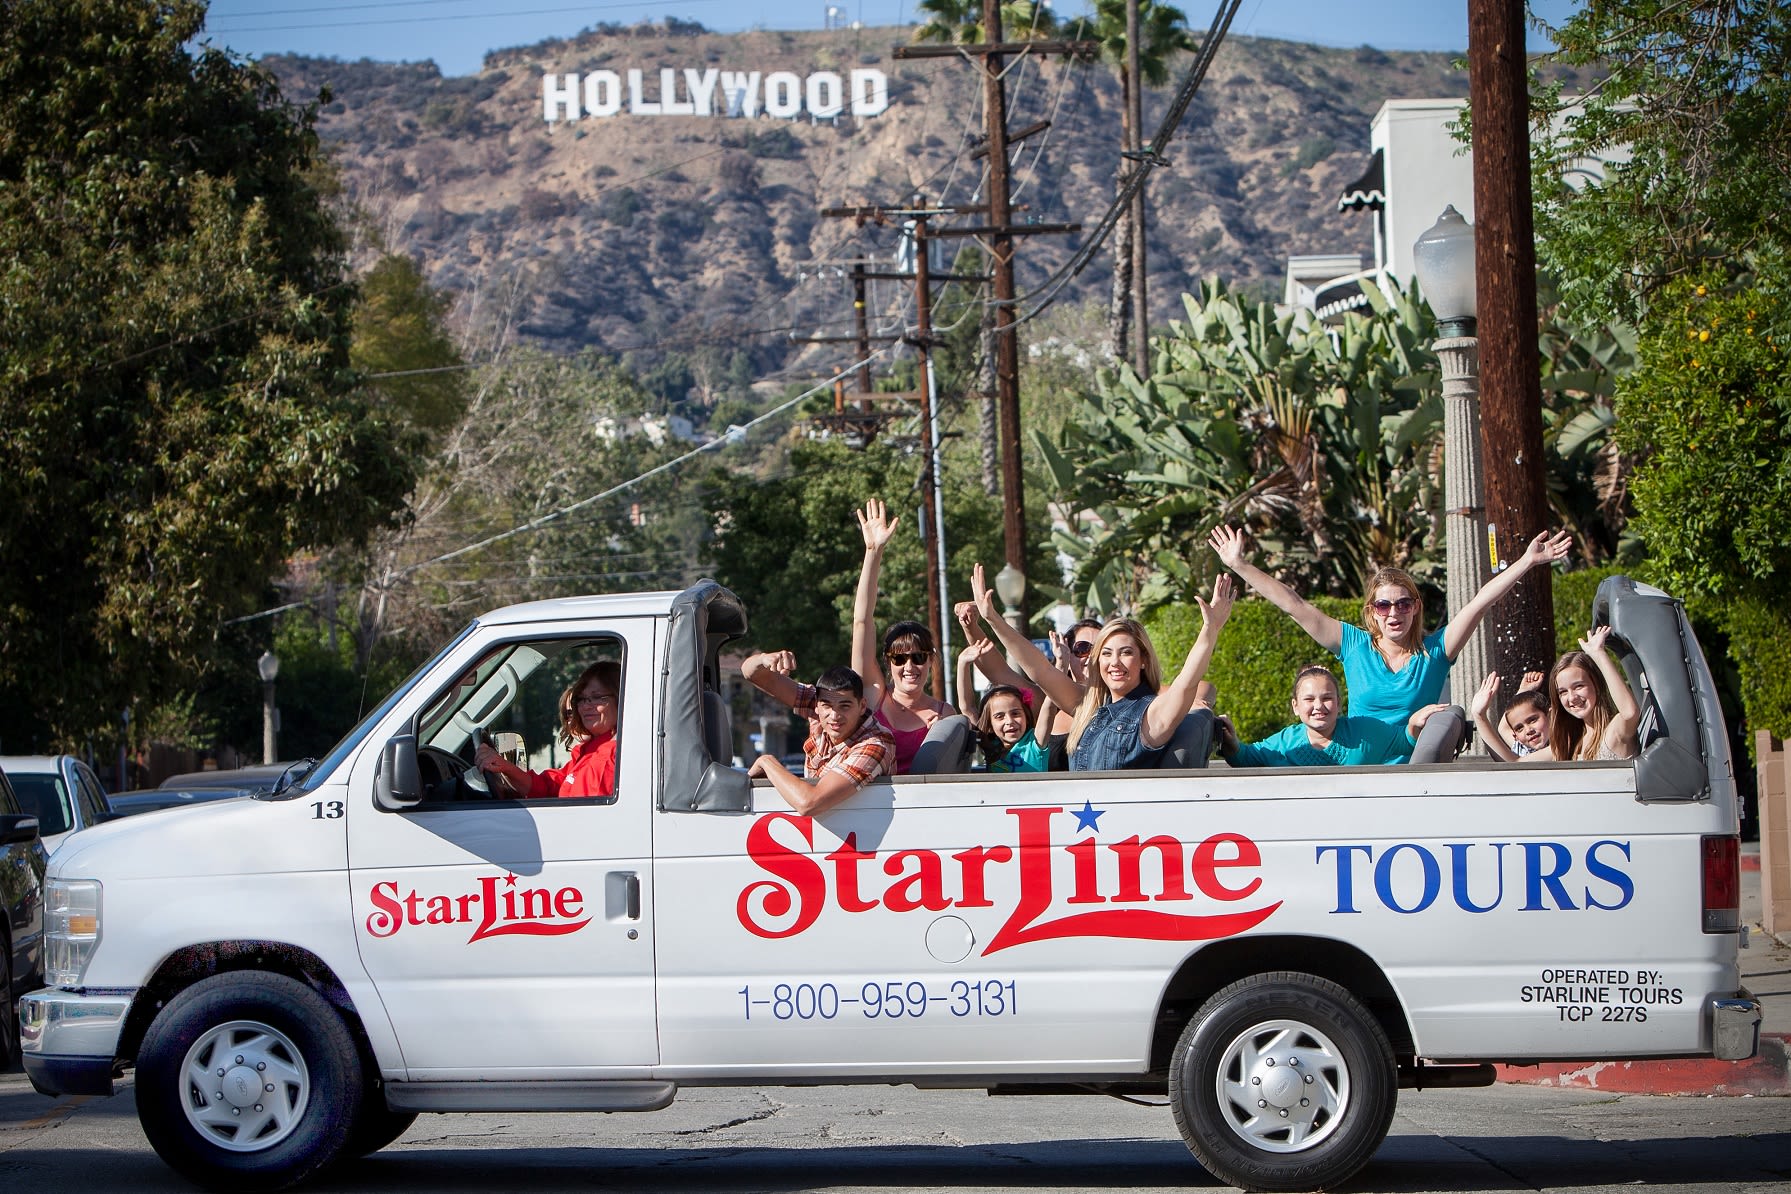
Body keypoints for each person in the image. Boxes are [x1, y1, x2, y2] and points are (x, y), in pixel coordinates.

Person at [1209, 523, 1572, 761]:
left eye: (1403, 603)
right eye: (1384, 604)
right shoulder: (1354, 644)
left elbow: (1480, 602)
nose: (1393, 612)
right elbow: (1295, 605)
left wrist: (1527, 561)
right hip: (1358, 764)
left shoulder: (1435, 651)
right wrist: (1240, 565)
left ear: (1415, 608)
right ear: (1372, 611)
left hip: (1417, 770)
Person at [965, 562, 1234, 771]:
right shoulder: (1087, 707)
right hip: (1079, 837)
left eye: (1126, 653)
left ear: (1143, 661)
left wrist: (1210, 629)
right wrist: (993, 619)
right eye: (1106, 654)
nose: (1114, 662)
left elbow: (1188, 682)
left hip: (1130, 838)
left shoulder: (1152, 714)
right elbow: (1039, 669)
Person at [851, 499, 956, 773]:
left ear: (931, 660)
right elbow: (862, 621)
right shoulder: (873, 697)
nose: (909, 667)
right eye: (899, 659)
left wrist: (936, 741)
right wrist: (873, 552)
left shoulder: (945, 715)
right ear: (888, 662)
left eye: (918, 657)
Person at [740, 651, 896, 814]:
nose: (834, 716)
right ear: (816, 705)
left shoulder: (875, 745)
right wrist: (764, 659)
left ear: (862, 706)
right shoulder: (818, 708)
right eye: (827, 706)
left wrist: (767, 762)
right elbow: (751, 673)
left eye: (845, 706)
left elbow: (808, 804)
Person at [1216, 665, 1440, 767]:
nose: (1318, 706)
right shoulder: (1284, 742)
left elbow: (1404, 742)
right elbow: (1245, 757)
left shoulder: (1365, 731)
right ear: (1295, 706)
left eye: (1327, 698)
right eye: (1309, 699)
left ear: (1340, 703)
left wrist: (1413, 724)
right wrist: (1231, 741)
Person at [475, 661, 620, 798]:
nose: (585, 706)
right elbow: (550, 786)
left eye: (597, 697)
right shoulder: (590, 750)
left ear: (621, 698)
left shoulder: (613, 758)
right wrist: (505, 768)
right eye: (581, 699)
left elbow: (584, 815)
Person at [1547, 626, 1641, 761]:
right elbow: (1516, 762)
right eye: (1563, 692)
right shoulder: (1570, 744)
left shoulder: (1614, 732)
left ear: (1596, 685)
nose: (1572, 698)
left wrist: (1599, 654)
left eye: (1578, 686)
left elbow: (1630, 713)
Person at [1470, 672, 1553, 762]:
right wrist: (1523, 691)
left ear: (1550, 716)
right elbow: (1503, 728)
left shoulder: (1561, 745)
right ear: (1515, 736)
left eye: (1532, 720)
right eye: (1519, 728)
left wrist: (1479, 716)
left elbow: (1515, 764)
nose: (1528, 730)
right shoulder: (1522, 748)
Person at [974, 683, 1052, 773]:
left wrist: (1060, 670)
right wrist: (964, 667)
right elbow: (967, 707)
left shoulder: (1035, 743)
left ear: (1026, 717)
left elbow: (1049, 707)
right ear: (990, 726)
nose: (1010, 721)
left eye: (1015, 714)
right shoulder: (990, 746)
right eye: (1000, 716)